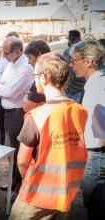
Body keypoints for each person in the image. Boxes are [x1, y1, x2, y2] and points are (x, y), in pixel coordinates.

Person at [9, 53, 88, 220]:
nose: (34, 79)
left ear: (43, 78)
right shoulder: (80, 111)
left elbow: (22, 161)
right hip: (65, 193)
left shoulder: (37, 116)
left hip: (36, 197)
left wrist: (27, 179)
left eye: (35, 75)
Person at [70, 40, 105, 219]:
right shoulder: (97, 82)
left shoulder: (97, 86)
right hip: (97, 156)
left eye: (75, 60)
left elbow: (103, 132)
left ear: (89, 61)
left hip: (97, 157)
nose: (71, 65)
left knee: (96, 206)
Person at [0, 36, 34, 195]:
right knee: (11, 150)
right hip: (8, 113)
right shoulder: (12, 63)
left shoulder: (26, 67)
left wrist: (1, 88)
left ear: (18, 51)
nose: (4, 57)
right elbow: (0, 81)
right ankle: (14, 183)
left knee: (19, 152)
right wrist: (2, 87)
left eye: (6, 53)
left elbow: (10, 91)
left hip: (18, 114)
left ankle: (19, 188)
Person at [0, 31, 19, 146]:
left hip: (14, 103)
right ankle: (2, 145)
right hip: (1, 96)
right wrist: (6, 82)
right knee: (2, 123)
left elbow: (10, 87)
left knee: (13, 129)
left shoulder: (23, 63)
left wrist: (3, 82)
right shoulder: (4, 60)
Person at [23, 40, 51, 112]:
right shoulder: (52, 70)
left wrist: (26, 95)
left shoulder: (44, 76)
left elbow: (26, 106)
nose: (28, 62)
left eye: (30, 58)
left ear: (39, 56)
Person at [63, 30, 85, 103]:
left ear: (79, 39)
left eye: (73, 39)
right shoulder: (66, 52)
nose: (70, 42)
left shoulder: (84, 52)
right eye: (70, 39)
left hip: (79, 91)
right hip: (67, 90)